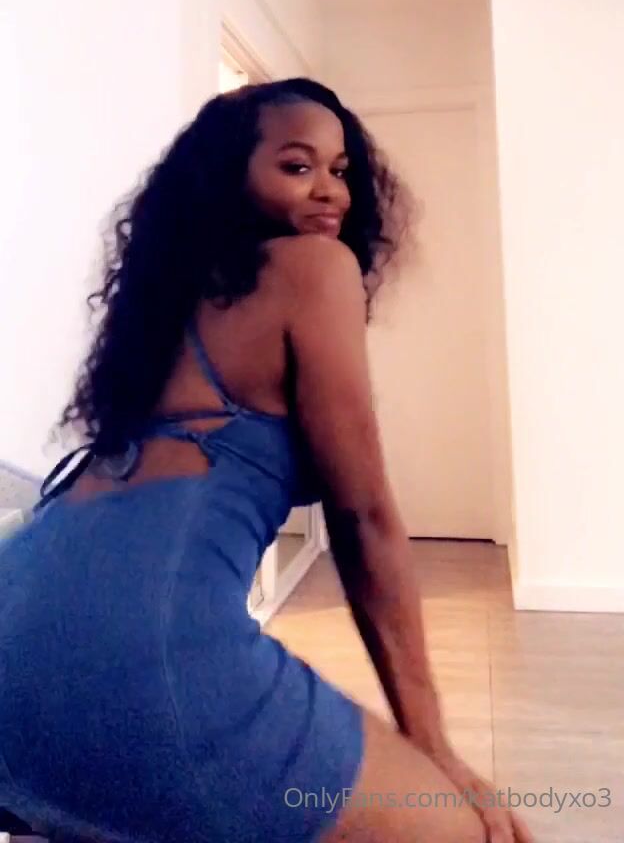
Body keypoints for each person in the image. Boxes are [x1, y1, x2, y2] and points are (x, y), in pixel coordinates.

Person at [0, 78, 533, 843]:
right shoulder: (316, 268)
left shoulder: (170, 305)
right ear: (231, 177)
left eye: (340, 170)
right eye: (296, 166)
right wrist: (435, 748)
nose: (330, 191)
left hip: (16, 619)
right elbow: (363, 516)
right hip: (136, 648)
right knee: (454, 829)